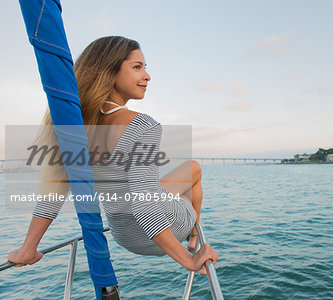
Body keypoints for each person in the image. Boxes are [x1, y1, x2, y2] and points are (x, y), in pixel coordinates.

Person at [8, 36, 218, 276]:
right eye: (137, 67)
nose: (147, 76)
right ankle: (193, 232)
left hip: (124, 237)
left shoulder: (76, 127)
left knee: (174, 175)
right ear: (110, 70)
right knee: (193, 171)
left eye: (145, 68)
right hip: (169, 226)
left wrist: (28, 248)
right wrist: (189, 261)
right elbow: (146, 206)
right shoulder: (142, 125)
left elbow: (54, 193)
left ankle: (191, 233)